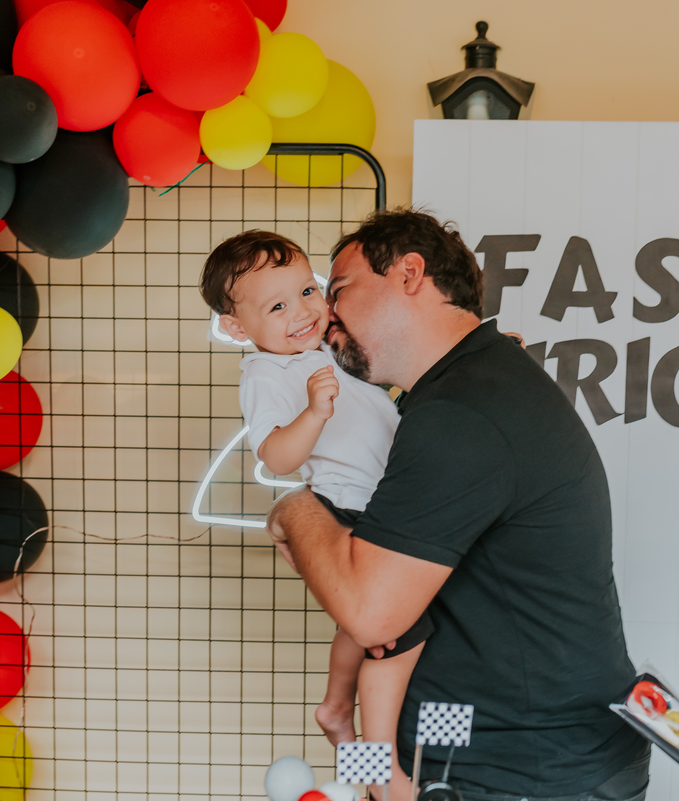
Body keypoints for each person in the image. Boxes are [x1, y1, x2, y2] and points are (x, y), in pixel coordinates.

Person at [266, 209, 650, 801]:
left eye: (338, 290)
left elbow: (371, 612)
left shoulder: (463, 412)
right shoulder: (466, 388)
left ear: (410, 273)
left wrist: (294, 507)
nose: (325, 316)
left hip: (523, 770)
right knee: (372, 739)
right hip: (479, 745)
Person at [199, 230, 433, 792]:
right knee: (395, 633)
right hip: (346, 504)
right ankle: (371, 764)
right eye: (277, 306)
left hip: (385, 498)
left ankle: (338, 712)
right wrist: (312, 414)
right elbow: (276, 456)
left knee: (374, 630)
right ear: (236, 328)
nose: (302, 311)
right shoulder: (267, 374)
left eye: (307, 290)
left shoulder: (329, 348)